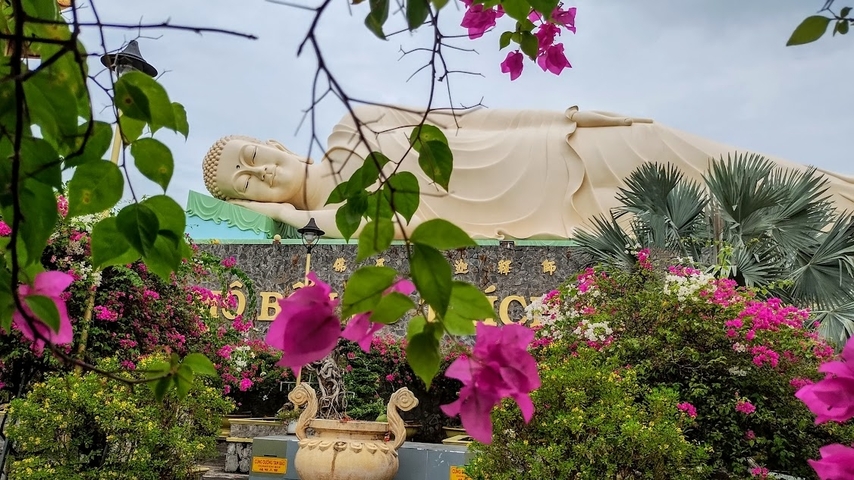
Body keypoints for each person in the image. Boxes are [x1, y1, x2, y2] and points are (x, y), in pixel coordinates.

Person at [201, 105, 854, 239]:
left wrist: (566, 118)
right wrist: (276, 213)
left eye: (253, 158)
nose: (260, 174)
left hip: (549, 151)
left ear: (271, 140)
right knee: (708, 223)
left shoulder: (352, 125)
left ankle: (841, 197)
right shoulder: (337, 221)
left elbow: (469, 120)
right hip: (547, 215)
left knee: (690, 156)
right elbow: (381, 226)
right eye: (245, 184)